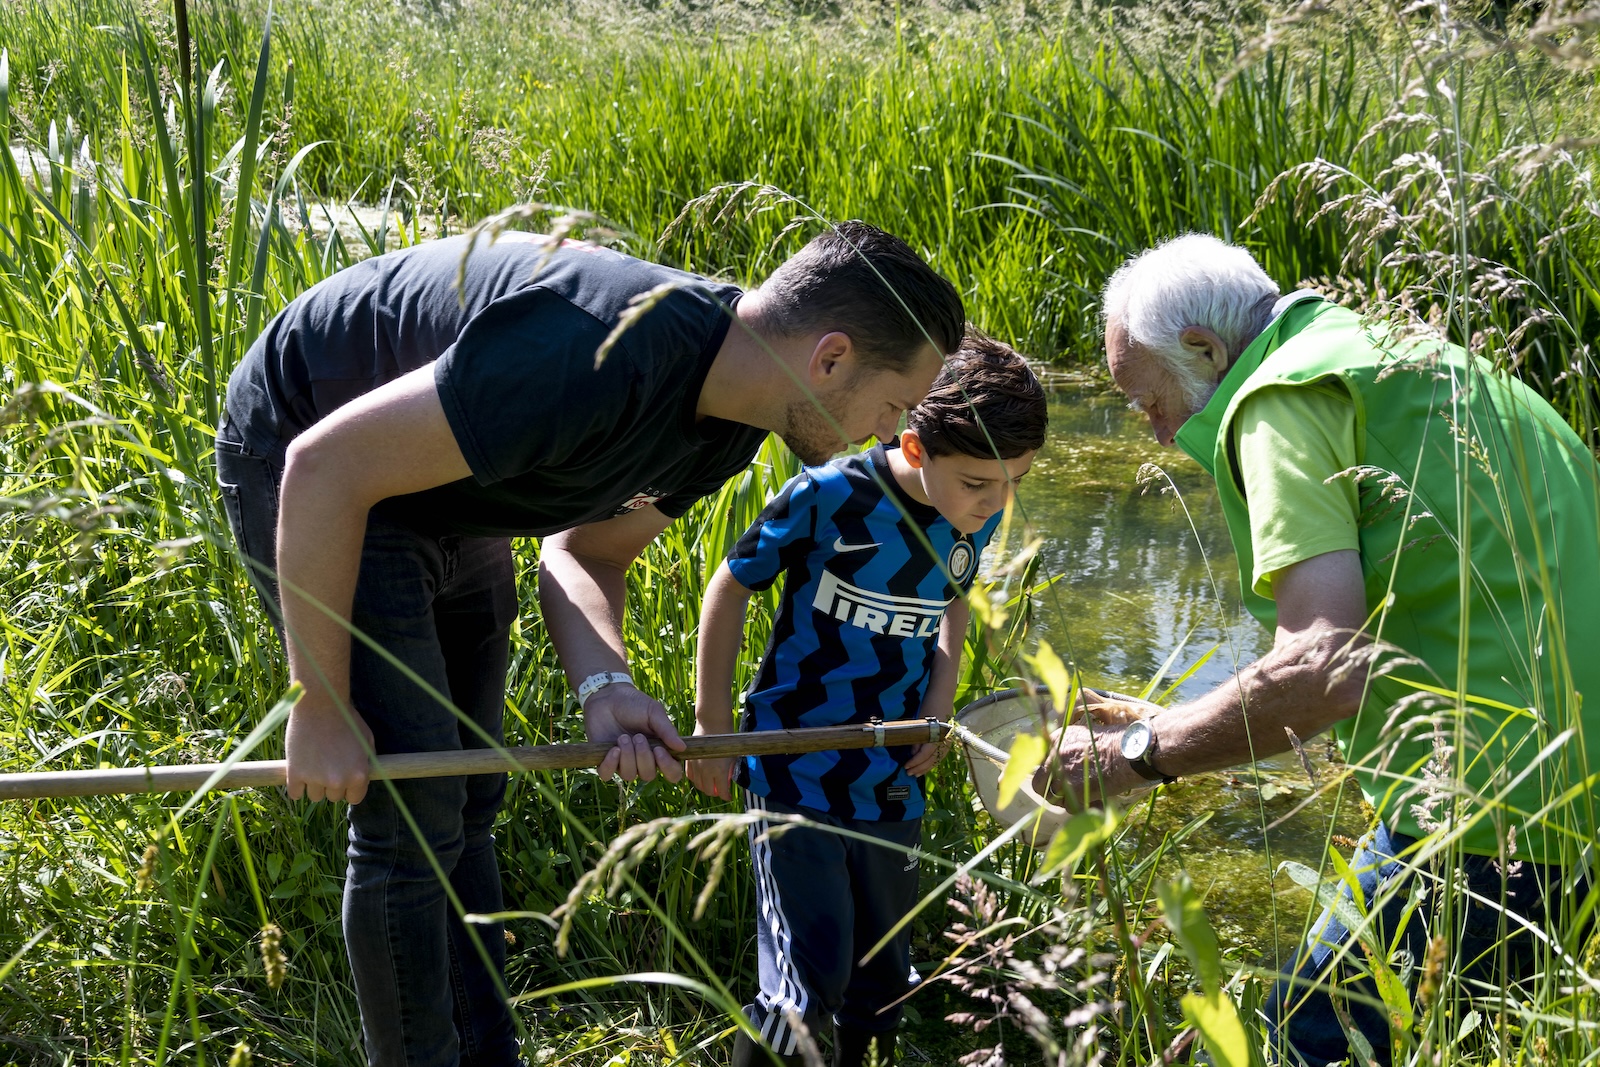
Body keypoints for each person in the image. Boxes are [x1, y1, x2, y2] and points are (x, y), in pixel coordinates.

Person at [214, 221, 966, 1067]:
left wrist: (605, 684)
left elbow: (585, 549)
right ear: (830, 357)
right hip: (314, 452)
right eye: (893, 406)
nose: (881, 434)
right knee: (412, 821)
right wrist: (321, 700)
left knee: (469, 796)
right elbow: (324, 464)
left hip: (447, 484)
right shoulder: (598, 353)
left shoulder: (732, 417)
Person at [1036, 233, 1600, 1065]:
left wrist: (1138, 755)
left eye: (1149, 402)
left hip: (1484, 815)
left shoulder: (1280, 396)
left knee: (1299, 1037)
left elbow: (1323, 670)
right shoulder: (1428, 361)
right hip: (1572, 797)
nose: (1155, 435)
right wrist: (1188, 716)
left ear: (1204, 349)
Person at [689, 336, 1047, 1067]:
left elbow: (952, 603)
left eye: (1014, 481)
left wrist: (939, 706)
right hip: (793, 766)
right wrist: (712, 725)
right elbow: (729, 584)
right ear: (915, 446)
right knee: (805, 975)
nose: (997, 501)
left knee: (883, 976)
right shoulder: (829, 498)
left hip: (890, 779)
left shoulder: (969, 516)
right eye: (981, 482)